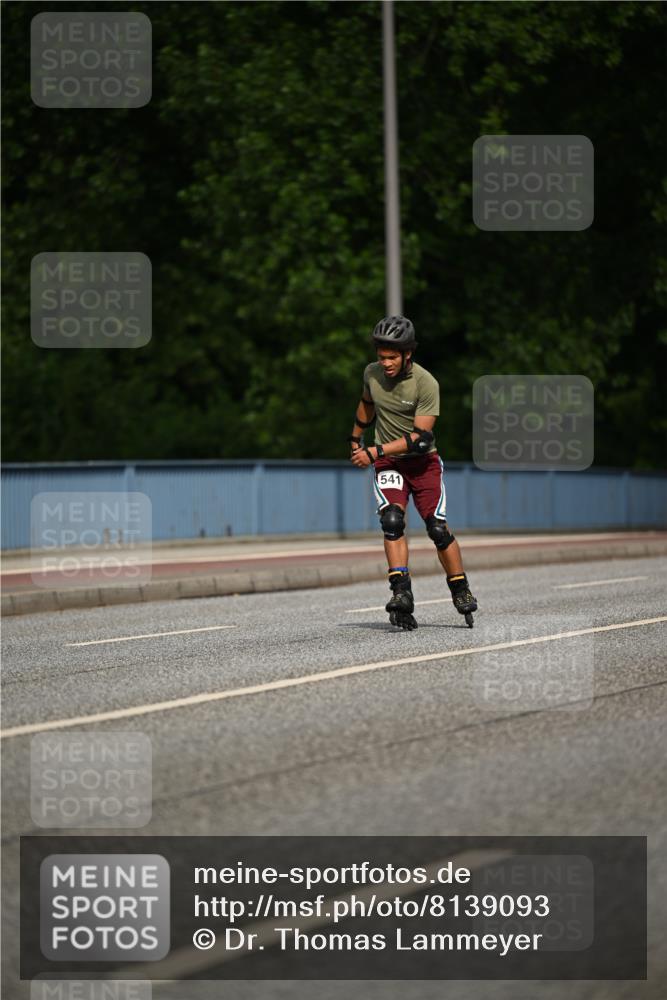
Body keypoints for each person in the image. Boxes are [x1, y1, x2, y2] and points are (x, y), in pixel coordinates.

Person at [349, 315, 478, 630]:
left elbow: (421, 439)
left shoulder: (425, 383)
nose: (385, 363)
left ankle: (460, 587)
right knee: (392, 521)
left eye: (392, 357)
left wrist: (375, 451)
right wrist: (355, 438)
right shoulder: (372, 373)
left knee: (437, 528)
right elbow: (367, 403)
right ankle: (401, 593)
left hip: (422, 465)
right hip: (390, 465)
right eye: (381, 357)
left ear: (408, 354)